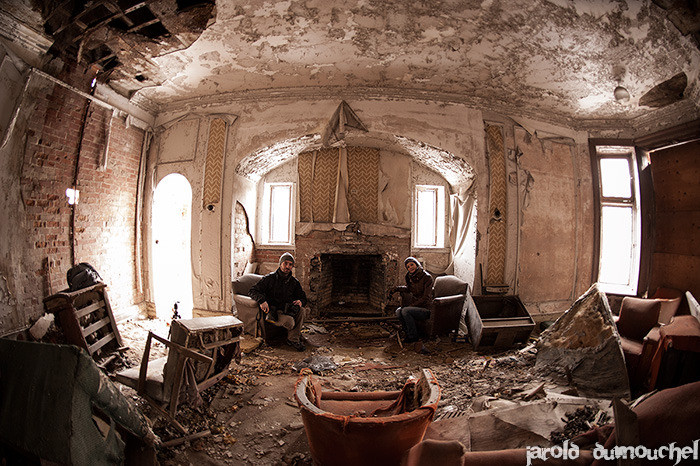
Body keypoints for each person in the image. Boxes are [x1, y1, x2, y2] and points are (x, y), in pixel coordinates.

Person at [249, 252, 307, 351]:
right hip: (274, 312)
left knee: (302, 311)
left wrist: (300, 301)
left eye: (290, 264)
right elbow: (253, 291)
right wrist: (262, 301)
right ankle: (289, 335)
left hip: (288, 309)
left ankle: (293, 339)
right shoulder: (269, 279)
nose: (287, 266)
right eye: (285, 263)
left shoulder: (294, 282)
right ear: (280, 264)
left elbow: (303, 297)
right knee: (290, 323)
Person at [388, 257, 434, 344]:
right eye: (408, 267)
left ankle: (413, 337)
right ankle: (407, 333)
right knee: (398, 311)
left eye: (412, 265)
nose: (410, 268)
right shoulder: (410, 277)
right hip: (416, 307)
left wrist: (412, 305)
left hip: (426, 308)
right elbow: (408, 289)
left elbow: (426, 298)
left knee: (405, 310)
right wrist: (396, 289)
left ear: (417, 264)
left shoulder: (427, 277)